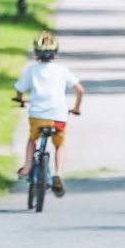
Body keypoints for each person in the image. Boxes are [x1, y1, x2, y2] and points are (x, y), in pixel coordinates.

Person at [14, 31, 84, 197]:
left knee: (32, 139)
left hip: (37, 116)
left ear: (36, 52)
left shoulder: (31, 70)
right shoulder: (62, 70)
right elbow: (80, 90)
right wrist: (76, 108)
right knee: (59, 145)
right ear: (55, 52)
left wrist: (19, 99)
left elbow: (19, 89)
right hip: (59, 117)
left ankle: (27, 167)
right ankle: (58, 174)